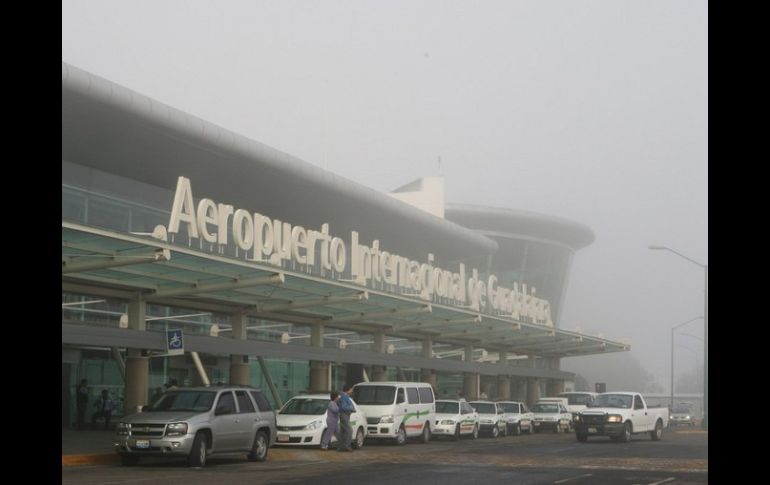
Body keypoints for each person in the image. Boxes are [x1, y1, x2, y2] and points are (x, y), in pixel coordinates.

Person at [336, 385, 355, 451]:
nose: (352, 391)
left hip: (344, 415)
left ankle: (341, 447)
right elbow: (344, 407)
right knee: (349, 430)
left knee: (343, 431)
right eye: (351, 390)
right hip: (344, 415)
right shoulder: (344, 397)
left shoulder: (343, 396)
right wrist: (351, 408)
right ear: (348, 390)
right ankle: (347, 446)